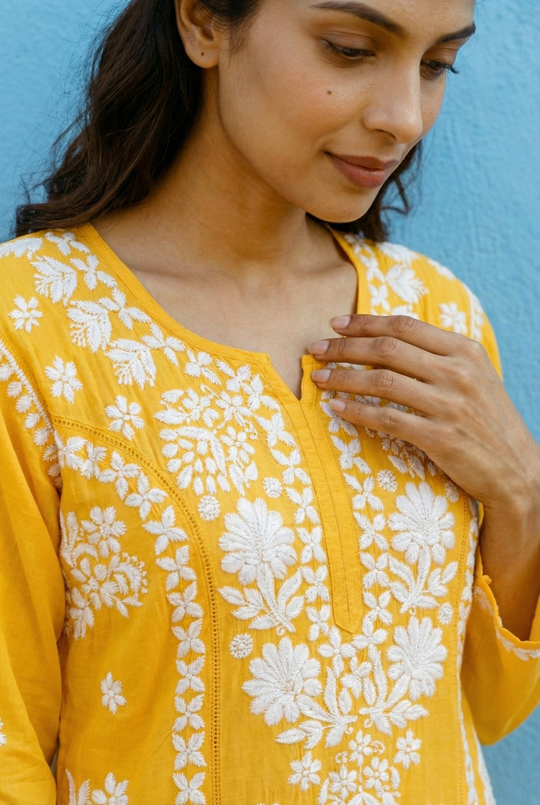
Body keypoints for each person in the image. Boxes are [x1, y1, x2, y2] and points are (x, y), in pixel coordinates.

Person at [1, 0, 539, 802]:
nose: (404, 118)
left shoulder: (434, 315)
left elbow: (488, 705)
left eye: (436, 66)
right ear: (203, 23)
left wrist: (521, 493)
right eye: (350, 49)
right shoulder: (33, 325)